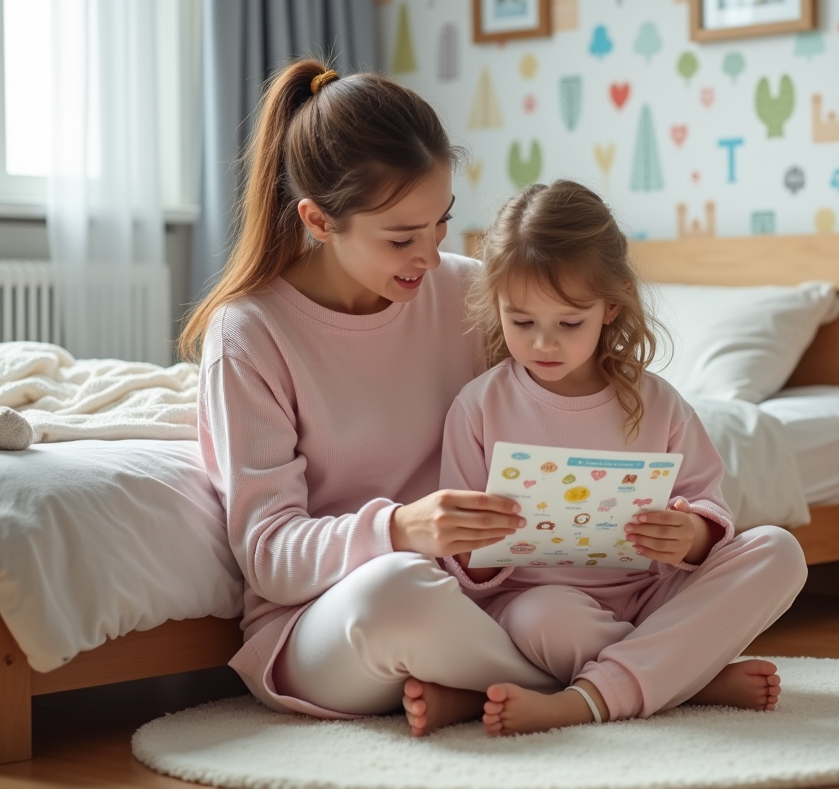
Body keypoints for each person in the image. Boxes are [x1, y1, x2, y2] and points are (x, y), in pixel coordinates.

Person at [179, 59, 561, 736]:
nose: (430, 255)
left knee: (755, 550)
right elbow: (268, 554)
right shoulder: (250, 332)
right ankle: (601, 691)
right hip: (326, 621)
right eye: (401, 238)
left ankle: (483, 691)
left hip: (477, 595)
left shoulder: (469, 293)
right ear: (320, 221)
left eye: (440, 223)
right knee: (398, 591)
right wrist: (400, 529)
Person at [440, 180, 808, 736]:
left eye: (568, 323)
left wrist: (690, 533)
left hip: (651, 598)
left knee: (779, 550)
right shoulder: (479, 406)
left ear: (611, 306)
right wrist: (484, 545)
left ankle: (599, 690)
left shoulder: (657, 402)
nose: (544, 344)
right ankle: (688, 679)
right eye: (521, 322)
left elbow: (712, 508)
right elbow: (462, 562)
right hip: (544, 606)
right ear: (496, 304)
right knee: (545, 618)